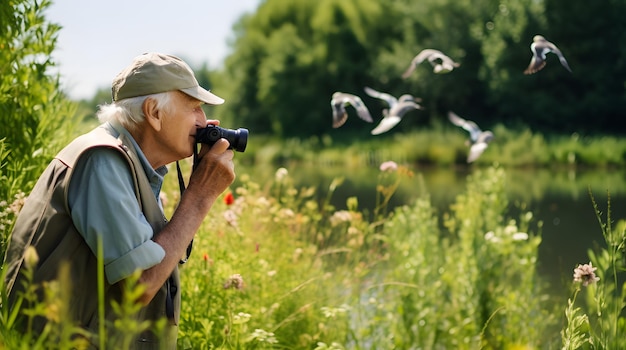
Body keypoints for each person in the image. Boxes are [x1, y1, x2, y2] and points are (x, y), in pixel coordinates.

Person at [3, 52, 236, 348]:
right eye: (194, 108)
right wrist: (201, 196)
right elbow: (139, 284)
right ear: (154, 112)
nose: (204, 122)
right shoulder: (101, 160)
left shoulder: (133, 165)